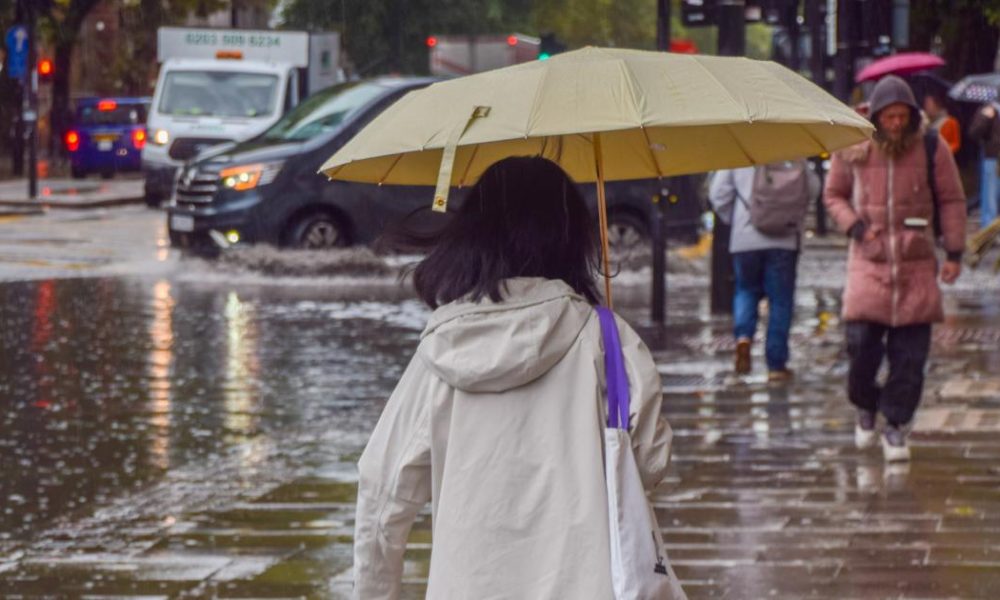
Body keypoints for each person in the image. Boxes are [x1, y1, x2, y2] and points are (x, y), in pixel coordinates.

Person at [352, 157, 677, 599]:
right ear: (569, 236)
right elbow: (650, 463)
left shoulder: (442, 349)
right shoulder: (606, 340)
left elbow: (383, 487)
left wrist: (376, 593)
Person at [824, 75, 966, 462]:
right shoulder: (852, 145)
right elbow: (833, 194)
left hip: (915, 266)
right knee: (860, 350)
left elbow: (952, 200)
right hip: (868, 264)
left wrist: (954, 253)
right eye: (890, 117)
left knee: (910, 359)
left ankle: (896, 424)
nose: (897, 124)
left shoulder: (931, 146)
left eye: (903, 116)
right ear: (876, 114)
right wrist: (854, 226)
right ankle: (866, 405)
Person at [709, 162, 820, 381]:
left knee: (745, 290)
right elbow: (813, 188)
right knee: (780, 301)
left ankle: (743, 337)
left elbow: (718, 194)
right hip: (785, 238)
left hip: (745, 239)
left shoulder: (739, 151)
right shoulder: (790, 147)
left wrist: (738, 219)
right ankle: (776, 365)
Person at [969, 99, 1000, 227]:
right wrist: (986, 117)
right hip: (993, 157)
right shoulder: (989, 109)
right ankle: (988, 229)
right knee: (990, 196)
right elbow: (974, 132)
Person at [923, 91, 961, 155]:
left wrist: (943, 152)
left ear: (937, 105)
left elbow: (955, 143)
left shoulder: (951, 122)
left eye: (928, 104)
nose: (925, 107)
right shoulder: (924, 121)